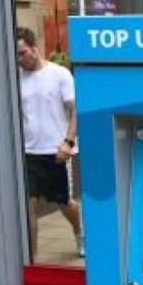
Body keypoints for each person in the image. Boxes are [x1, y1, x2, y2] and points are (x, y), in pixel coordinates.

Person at [15, 27, 84, 258]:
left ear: (35, 48)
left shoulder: (59, 74)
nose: (19, 59)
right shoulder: (15, 80)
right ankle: (31, 260)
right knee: (28, 207)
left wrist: (68, 142)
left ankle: (78, 231)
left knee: (64, 204)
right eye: (16, 55)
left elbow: (75, 109)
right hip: (27, 153)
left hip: (56, 152)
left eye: (22, 53)